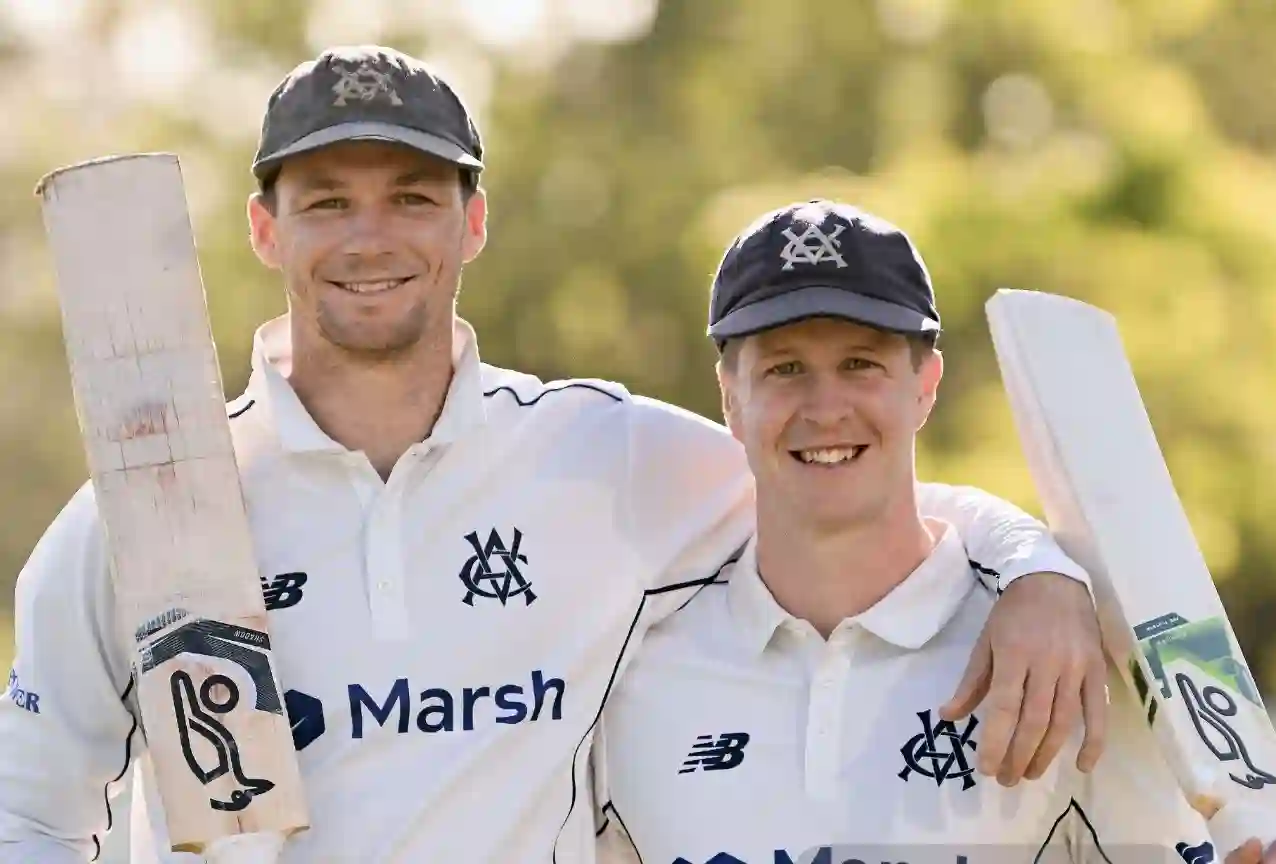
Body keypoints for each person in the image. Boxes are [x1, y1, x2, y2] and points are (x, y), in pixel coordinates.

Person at [0, 47, 1104, 864]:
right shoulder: (148, 506)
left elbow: (835, 477)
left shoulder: (598, 456)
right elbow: (32, 808)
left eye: (412, 199)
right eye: (328, 203)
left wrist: (1035, 570)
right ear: (264, 230)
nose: (371, 238)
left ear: (471, 224)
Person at [592, 200, 1272, 864]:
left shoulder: (1058, 664)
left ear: (926, 385)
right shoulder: (635, 672)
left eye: (861, 364)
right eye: (785, 368)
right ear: (730, 397)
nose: (826, 409)